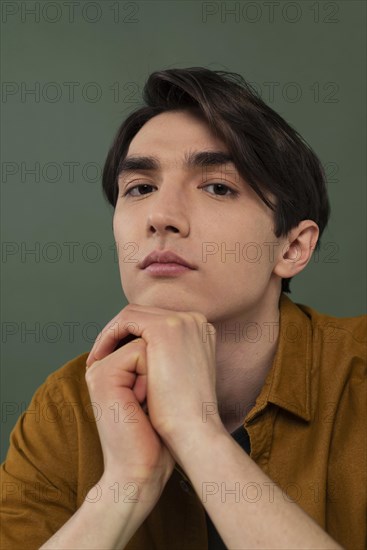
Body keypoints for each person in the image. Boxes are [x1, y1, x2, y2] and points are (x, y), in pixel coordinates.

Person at [1, 67, 366, 550]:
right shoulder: (68, 405)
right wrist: (126, 485)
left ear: (292, 248)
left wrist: (198, 435)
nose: (161, 217)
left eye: (217, 187)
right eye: (140, 188)